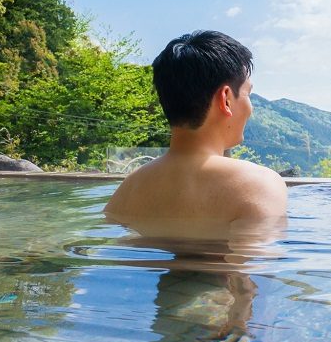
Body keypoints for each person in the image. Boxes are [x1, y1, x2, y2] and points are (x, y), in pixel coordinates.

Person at [105, 30, 287, 238]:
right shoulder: (259, 185)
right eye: (248, 94)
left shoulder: (128, 190)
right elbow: (250, 266)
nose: (250, 107)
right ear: (226, 99)